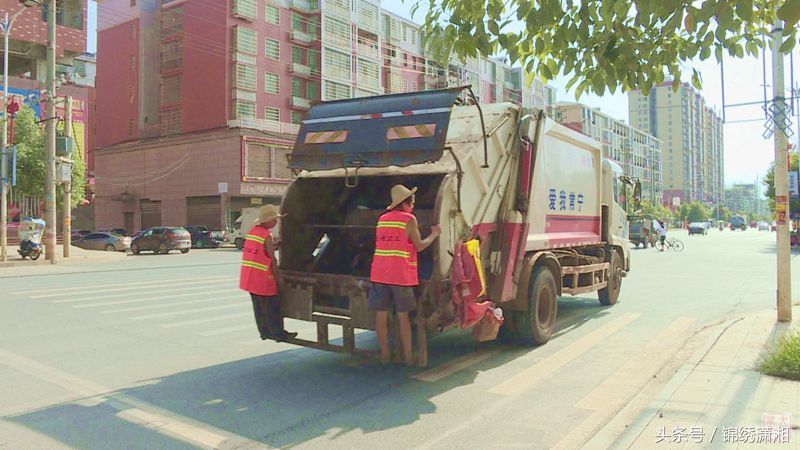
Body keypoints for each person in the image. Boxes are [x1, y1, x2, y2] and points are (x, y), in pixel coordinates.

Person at [369, 184, 441, 366]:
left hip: (378, 273)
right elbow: (419, 246)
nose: (414, 206)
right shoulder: (409, 220)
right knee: (403, 317)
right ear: (405, 203)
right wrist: (434, 234)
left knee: (381, 316)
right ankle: (408, 357)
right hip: (400, 275)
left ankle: (385, 354)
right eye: (412, 202)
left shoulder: (382, 219)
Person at [239, 204, 297, 342]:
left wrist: (275, 245)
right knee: (272, 308)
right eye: (274, 219)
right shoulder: (266, 235)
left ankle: (264, 332)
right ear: (266, 220)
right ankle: (278, 334)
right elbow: (272, 260)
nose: (276, 222)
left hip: (250, 278)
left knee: (259, 308)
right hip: (263, 278)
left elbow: (260, 251)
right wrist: (278, 279)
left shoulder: (253, 232)